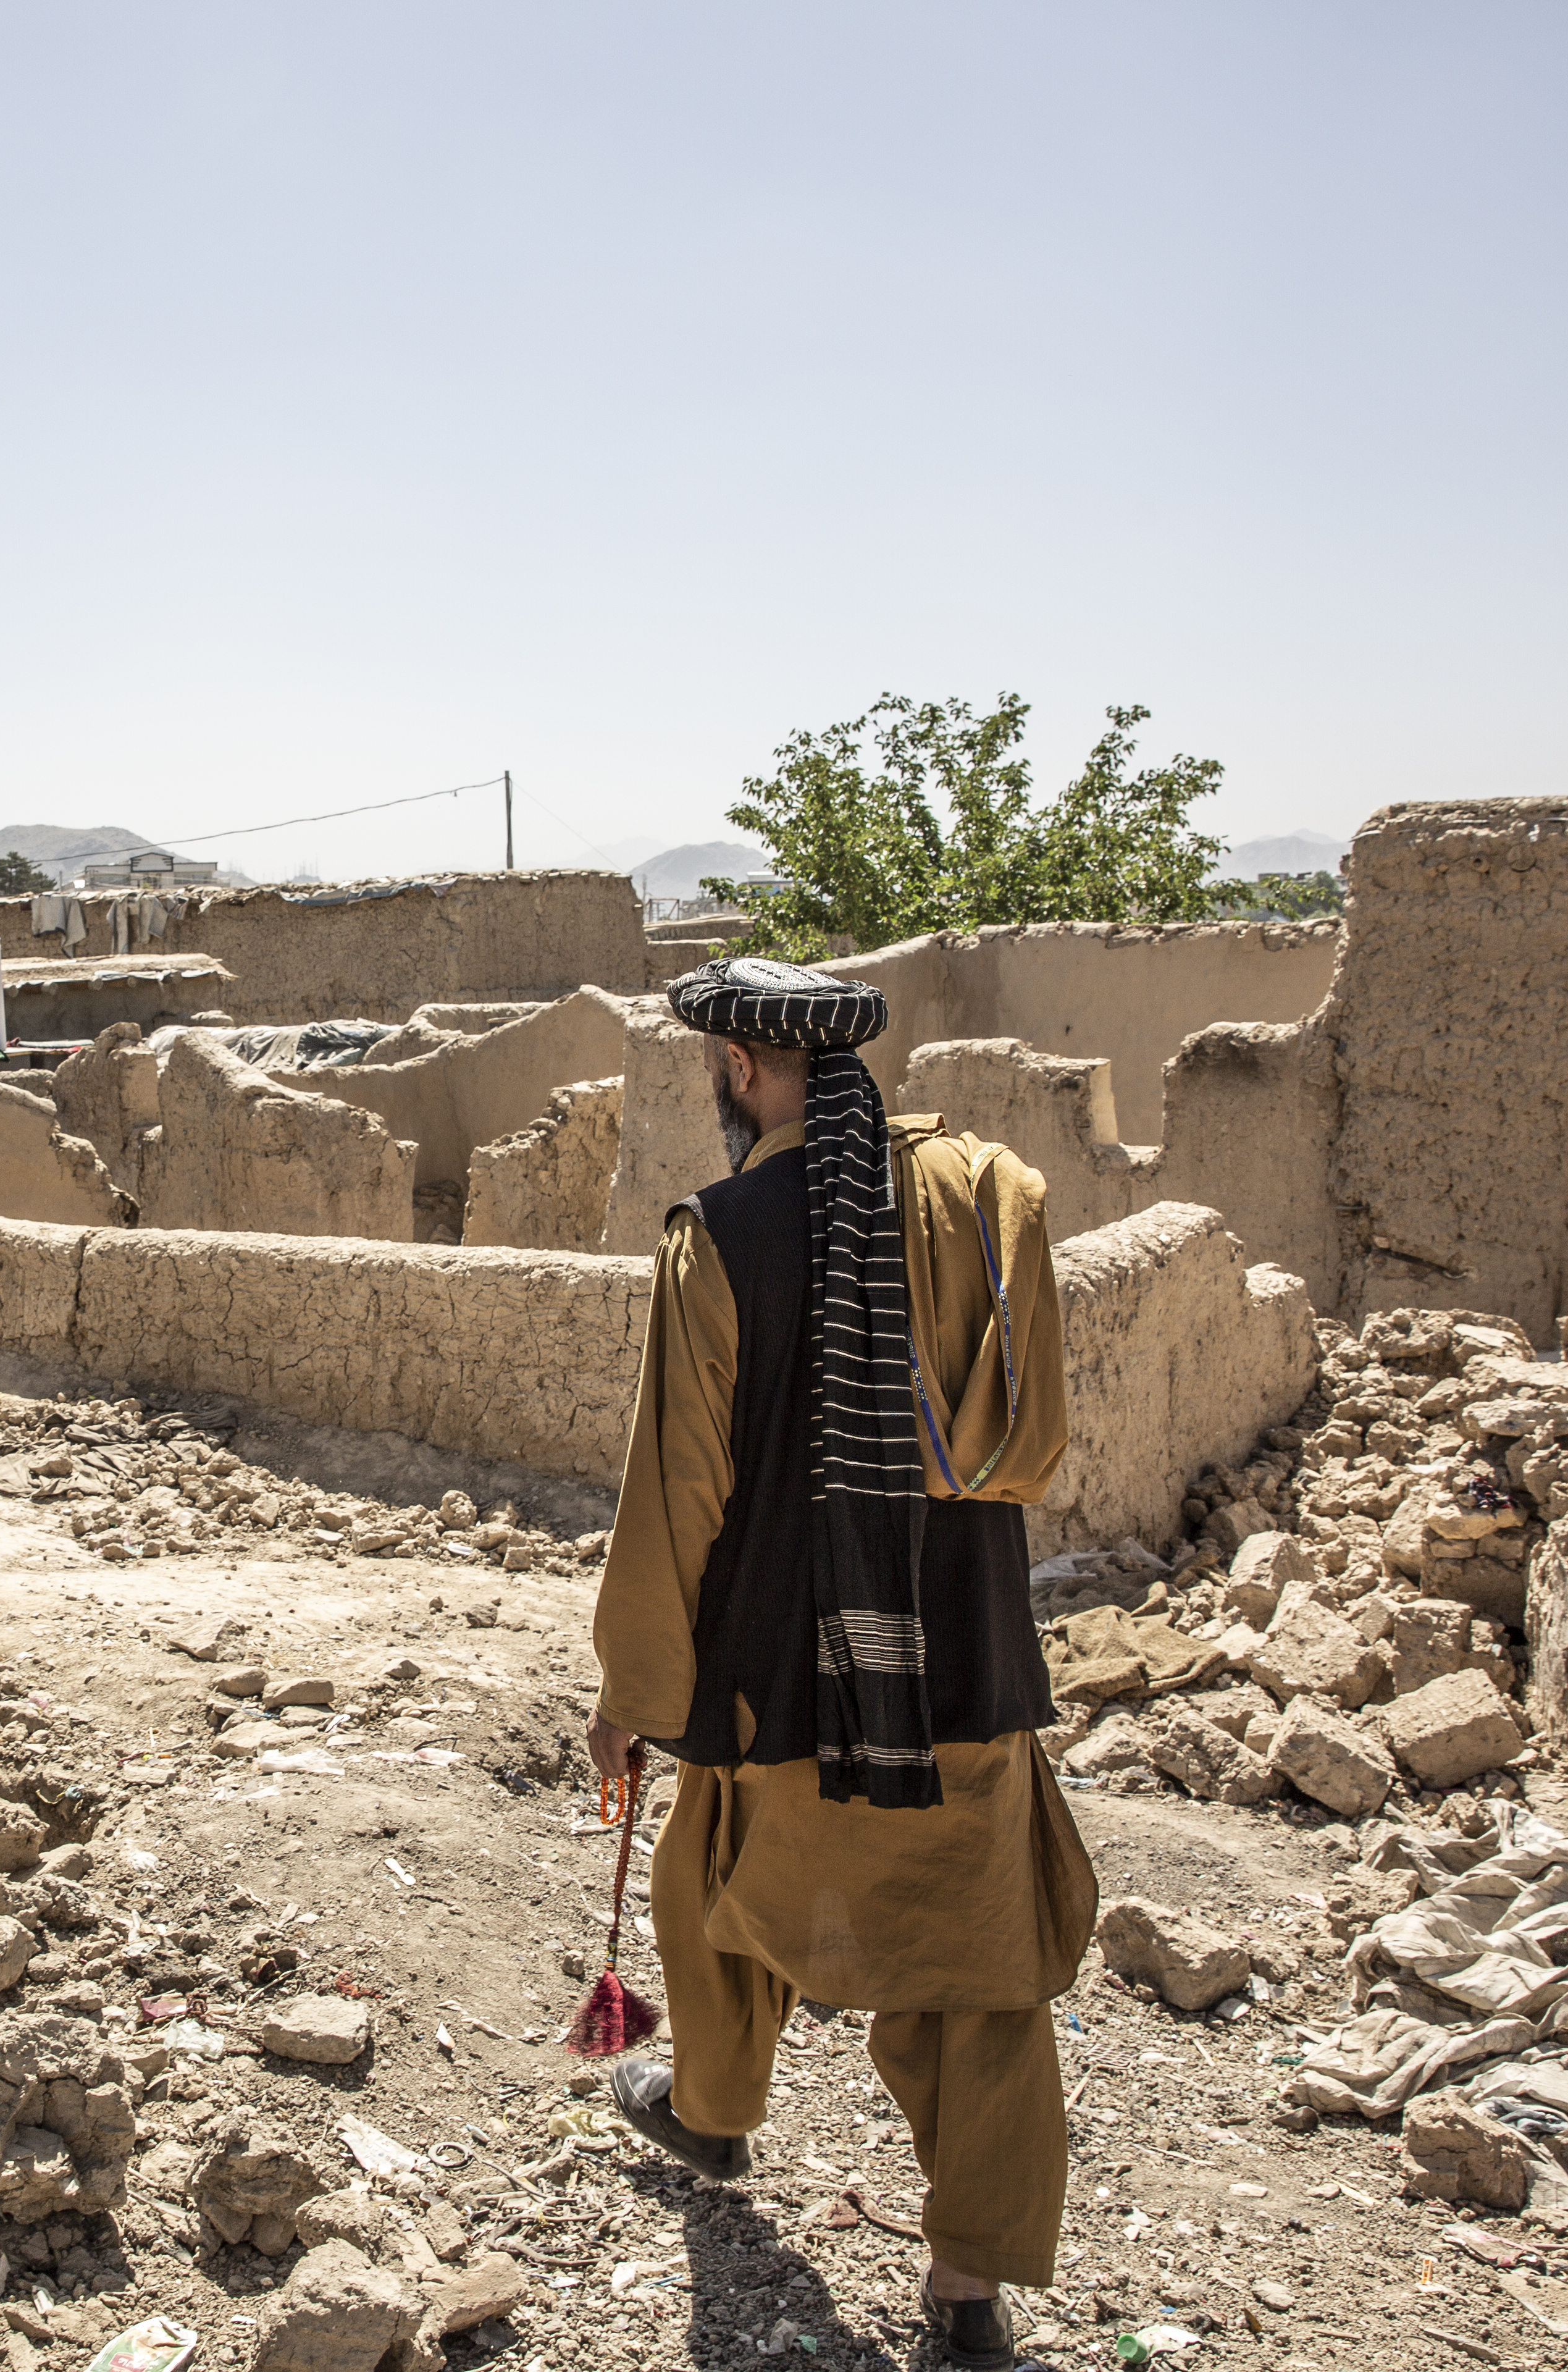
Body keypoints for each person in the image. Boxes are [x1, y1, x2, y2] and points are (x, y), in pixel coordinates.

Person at [586, 955, 1094, 2371]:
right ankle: (967, 2296)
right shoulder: (983, 1197)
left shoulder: (725, 1235)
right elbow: (1028, 1444)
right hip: (962, 1667)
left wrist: (636, 1694)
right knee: (979, 1980)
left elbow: (677, 1490)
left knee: (714, 1886)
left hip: (784, 1669)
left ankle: (712, 2108)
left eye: (717, 1074)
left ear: (743, 1070)